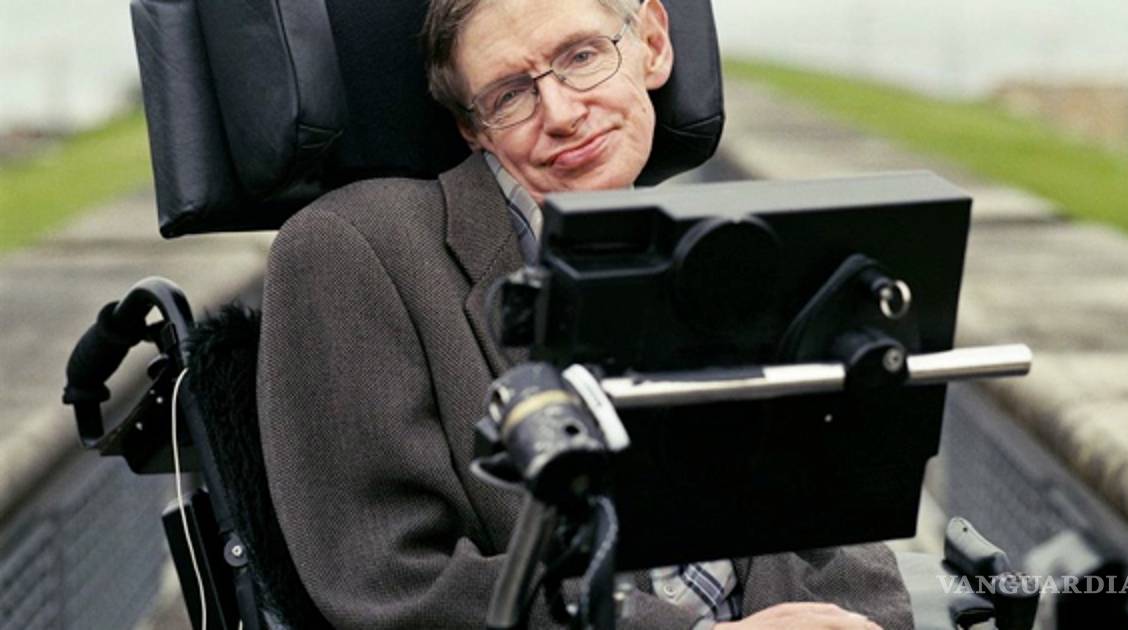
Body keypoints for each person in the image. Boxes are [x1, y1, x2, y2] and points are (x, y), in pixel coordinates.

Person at [257, 0, 914, 628]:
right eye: (509, 95)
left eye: (581, 56)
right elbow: (392, 583)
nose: (564, 113)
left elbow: (837, 531)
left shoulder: (734, 251)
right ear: (473, 128)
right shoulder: (353, 247)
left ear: (652, 44)